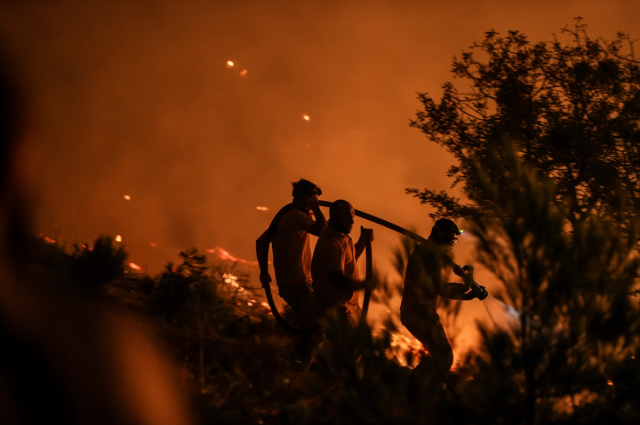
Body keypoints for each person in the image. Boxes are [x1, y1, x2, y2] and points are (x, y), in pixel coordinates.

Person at [400, 218, 482, 382]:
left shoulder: (431, 254)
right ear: (439, 235)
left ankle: (420, 388)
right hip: (418, 312)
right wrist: (464, 293)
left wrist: (462, 288)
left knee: (442, 356)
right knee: (444, 356)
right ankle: (413, 387)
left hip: (422, 312)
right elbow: (437, 287)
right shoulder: (427, 254)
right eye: (451, 240)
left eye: (455, 241)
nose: (452, 244)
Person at [256, 178, 326, 362]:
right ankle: (298, 366)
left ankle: (293, 360)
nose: (315, 204)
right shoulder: (295, 215)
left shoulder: (286, 216)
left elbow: (261, 241)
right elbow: (323, 231)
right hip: (298, 282)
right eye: (314, 200)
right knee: (317, 328)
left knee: (308, 325)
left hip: (291, 282)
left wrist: (264, 272)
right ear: (306, 198)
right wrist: (317, 210)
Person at [311, 200, 374, 327]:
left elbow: (350, 259)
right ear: (334, 218)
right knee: (352, 345)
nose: (352, 221)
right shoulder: (331, 242)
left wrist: (362, 241)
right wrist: (363, 284)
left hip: (349, 305)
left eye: (353, 216)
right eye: (347, 217)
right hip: (338, 308)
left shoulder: (341, 236)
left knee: (361, 343)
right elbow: (338, 279)